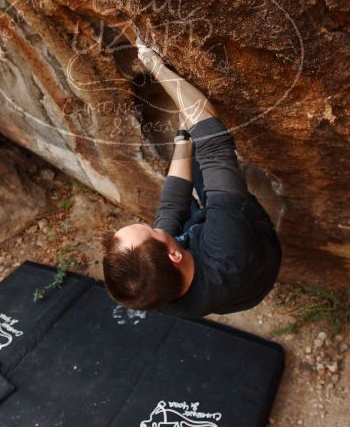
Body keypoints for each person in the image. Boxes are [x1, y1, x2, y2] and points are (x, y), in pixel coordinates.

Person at [101, 36, 282, 318]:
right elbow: (215, 140)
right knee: (207, 156)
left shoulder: (154, 289)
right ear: (175, 255)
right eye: (151, 230)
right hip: (253, 247)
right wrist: (154, 64)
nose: (152, 224)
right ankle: (229, 203)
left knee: (191, 159)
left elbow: (172, 206)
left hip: (230, 286)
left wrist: (184, 138)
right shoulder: (227, 243)